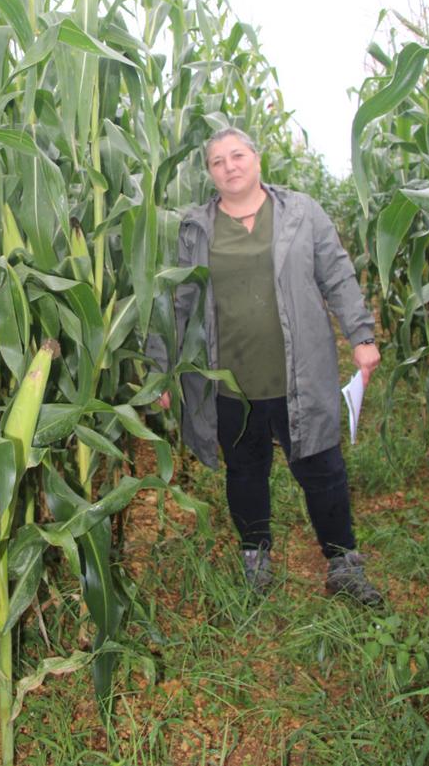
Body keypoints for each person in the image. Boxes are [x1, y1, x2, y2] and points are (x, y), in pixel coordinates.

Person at [156, 126, 382, 603]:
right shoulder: (196, 228)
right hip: (230, 379)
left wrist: (360, 335)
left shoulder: (301, 212)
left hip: (298, 372)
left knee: (321, 467)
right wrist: (162, 368)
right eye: (217, 161)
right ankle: (255, 558)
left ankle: (343, 562)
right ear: (209, 173)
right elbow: (177, 301)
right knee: (244, 470)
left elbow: (336, 274)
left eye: (237, 155)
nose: (229, 166)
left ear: (256, 159)